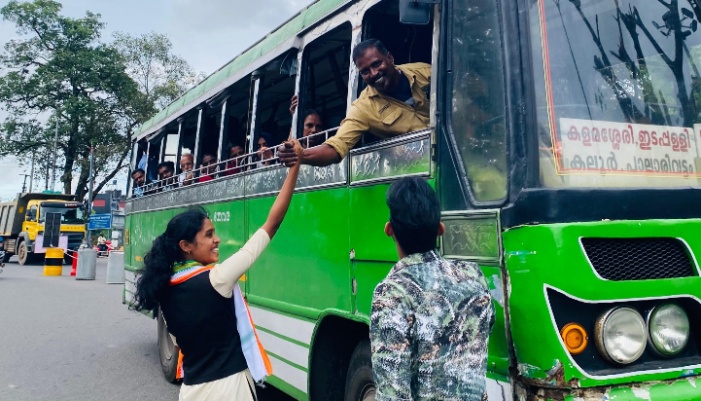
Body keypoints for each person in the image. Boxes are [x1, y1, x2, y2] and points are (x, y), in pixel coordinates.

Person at [133, 140, 304, 401]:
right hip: (230, 389)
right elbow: (272, 224)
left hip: (192, 391)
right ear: (186, 246)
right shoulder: (217, 279)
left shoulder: (164, 290)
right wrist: (295, 167)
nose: (218, 240)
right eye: (209, 235)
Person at [370, 177, 494, 401]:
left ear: (389, 230)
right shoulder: (473, 277)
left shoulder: (393, 293)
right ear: (441, 229)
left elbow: (392, 393)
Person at [279, 39, 431, 167]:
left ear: (390, 58)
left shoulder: (425, 71)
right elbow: (336, 147)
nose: (373, 73)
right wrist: (300, 155)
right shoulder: (363, 107)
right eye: (365, 71)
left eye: (377, 64)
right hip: (420, 165)